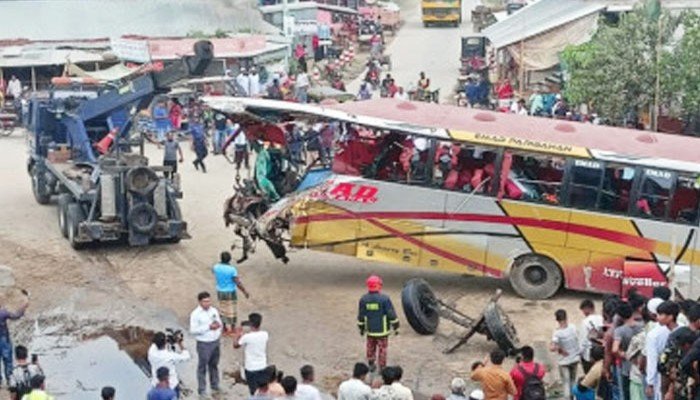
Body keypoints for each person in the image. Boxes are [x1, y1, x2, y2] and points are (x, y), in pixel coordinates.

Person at [358, 275, 399, 372]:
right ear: (379, 285)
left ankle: (371, 364)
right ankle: (382, 367)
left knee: (370, 347)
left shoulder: (363, 299)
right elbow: (391, 314)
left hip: (370, 331)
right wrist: (396, 326)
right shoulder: (384, 299)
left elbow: (361, 316)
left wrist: (361, 328)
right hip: (383, 331)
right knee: (382, 349)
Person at [189, 291, 222, 397]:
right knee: (202, 367)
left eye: (209, 301)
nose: (207, 303)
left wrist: (218, 325)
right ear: (200, 302)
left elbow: (219, 322)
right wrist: (208, 327)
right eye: (205, 301)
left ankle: (215, 385)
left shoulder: (214, 310)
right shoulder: (195, 314)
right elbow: (193, 330)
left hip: (215, 341)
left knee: (214, 365)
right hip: (204, 344)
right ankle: (202, 389)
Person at [645, 301, 680, 400]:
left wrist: (650, 382)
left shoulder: (653, 334)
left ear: (670, 317)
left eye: (660, 315)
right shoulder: (684, 330)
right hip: (679, 378)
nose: (657, 317)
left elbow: (652, 359)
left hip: (662, 377)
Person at [212, 251, 250, 334]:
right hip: (230, 292)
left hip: (220, 291)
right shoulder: (232, 269)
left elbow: (214, 272)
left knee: (223, 310)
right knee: (232, 311)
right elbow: (237, 282)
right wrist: (245, 291)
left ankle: (224, 328)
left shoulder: (216, 267)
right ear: (229, 259)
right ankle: (232, 329)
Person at [612, 303, 643, 400]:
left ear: (620, 316)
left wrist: (624, 355)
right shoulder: (642, 326)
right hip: (641, 365)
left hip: (627, 368)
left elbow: (614, 349)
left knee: (627, 395)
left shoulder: (620, 330)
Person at [234, 312, 270, 395]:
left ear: (250, 324)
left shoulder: (247, 337)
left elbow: (235, 345)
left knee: (253, 392)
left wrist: (237, 334)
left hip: (251, 368)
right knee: (263, 391)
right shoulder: (265, 334)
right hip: (262, 365)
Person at [147, 331, 191, 398]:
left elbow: (155, 344)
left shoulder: (151, 353)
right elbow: (186, 356)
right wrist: (180, 343)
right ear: (165, 342)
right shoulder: (169, 356)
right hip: (171, 385)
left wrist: (166, 340)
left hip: (156, 384)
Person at [550, 309, 580, 400]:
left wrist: (559, 349)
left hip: (564, 362)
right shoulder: (573, 327)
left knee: (566, 382)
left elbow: (552, 348)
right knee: (573, 381)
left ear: (557, 320)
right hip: (575, 359)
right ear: (566, 317)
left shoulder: (557, 333)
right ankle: (574, 397)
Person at [579, 300, 604, 373]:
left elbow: (583, 341)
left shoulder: (585, 322)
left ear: (587, 309)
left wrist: (580, 353)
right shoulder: (602, 318)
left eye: (583, 310)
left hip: (590, 355)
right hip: (602, 352)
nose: (583, 313)